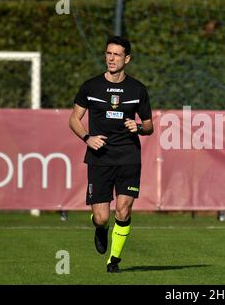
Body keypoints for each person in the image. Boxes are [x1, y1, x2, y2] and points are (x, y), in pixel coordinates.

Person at [69, 36, 154, 273]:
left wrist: (136, 127)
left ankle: (114, 260)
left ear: (127, 58)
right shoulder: (90, 86)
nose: (111, 58)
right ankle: (99, 228)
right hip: (100, 157)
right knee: (102, 217)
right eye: (108, 53)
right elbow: (73, 119)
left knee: (124, 209)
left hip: (128, 156)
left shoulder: (137, 89)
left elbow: (149, 127)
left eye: (117, 54)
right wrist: (87, 138)